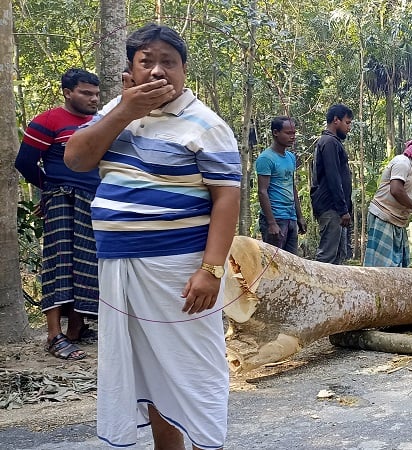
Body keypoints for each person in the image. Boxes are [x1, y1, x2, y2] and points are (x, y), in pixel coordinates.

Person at [64, 24, 241, 450]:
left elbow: (226, 199)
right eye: (147, 62)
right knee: (148, 371)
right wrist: (125, 111)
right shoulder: (114, 110)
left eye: (169, 62)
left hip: (177, 271)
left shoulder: (206, 124)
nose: (158, 71)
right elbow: (76, 158)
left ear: (184, 70)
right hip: (119, 268)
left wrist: (211, 270)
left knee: (193, 372)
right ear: (131, 68)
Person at [15, 68, 101, 361]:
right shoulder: (48, 121)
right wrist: (51, 190)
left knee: (88, 264)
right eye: (86, 93)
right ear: (67, 92)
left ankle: (76, 328)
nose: (93, 99)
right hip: (63, 200)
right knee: (59, 262)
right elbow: (25, 162)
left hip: (95, 202)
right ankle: (54, 334)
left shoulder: (99, 122)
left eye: (96, 94)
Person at [364, 137, 412, 267]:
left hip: (394, 221)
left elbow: (401, 195)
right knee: (383, 267)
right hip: (384, 218)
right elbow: (396, 190)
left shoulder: (409, 166)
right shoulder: (402, 163)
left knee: (395, 266)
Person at [255, 116, 306, 254]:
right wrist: (271, 223)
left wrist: (299, 216)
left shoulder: (290, 157)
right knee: (274, 264)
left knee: (292, 261)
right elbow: (262, 191)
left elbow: (292, 186)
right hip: (275, 217)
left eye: (294, 133)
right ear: (276, 133)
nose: (292, 137)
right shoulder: (266, 158)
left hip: (290, 217)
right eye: (288, 133)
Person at [310, 103, 353, 264]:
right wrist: (343, 209)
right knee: (327, 257)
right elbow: (333, 177)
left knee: (337, 257)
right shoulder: (329, 143)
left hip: (336, 209)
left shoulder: (332, 142)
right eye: (347, 123)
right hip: (331, 208)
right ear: (336, 120)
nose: (349, 127)